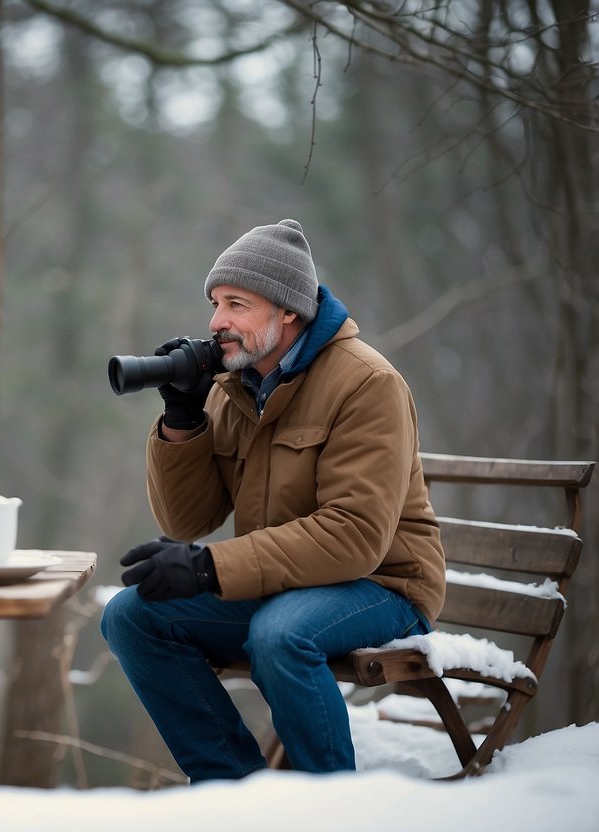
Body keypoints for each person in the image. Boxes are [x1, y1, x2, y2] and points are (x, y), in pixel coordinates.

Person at [101, 218, 446, 782]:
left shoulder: (366, 384)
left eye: (237, 304)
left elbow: (355, 536)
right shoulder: (234, 386)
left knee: (281, 633)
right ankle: (233, 793)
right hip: (287, 583)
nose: (216, 323)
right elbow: (189, 519)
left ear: (289, 311)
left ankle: (325, 809)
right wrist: (183, 422)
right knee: (133, 616)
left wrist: (209, 567)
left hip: (384, 586)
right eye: (215, 303)